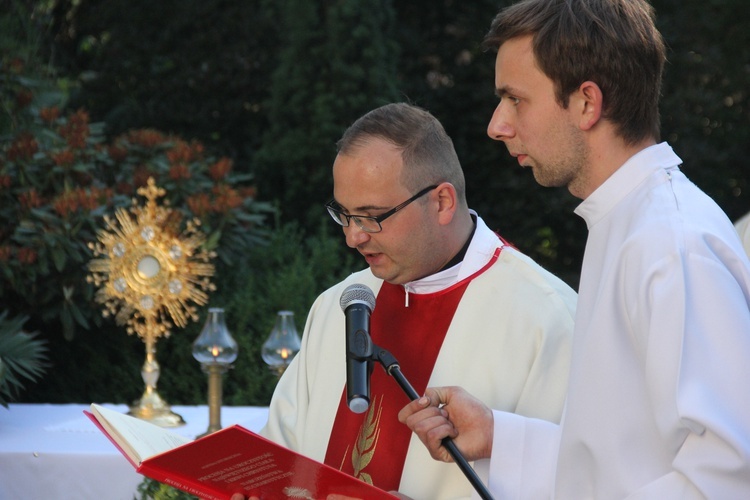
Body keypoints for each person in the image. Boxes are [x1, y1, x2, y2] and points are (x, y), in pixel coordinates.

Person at [398, 1, 750, 499]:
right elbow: (625, 458)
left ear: (587, 103)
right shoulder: (627, 223)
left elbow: (727, 475)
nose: (497, 125)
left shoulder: (671, 244)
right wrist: (501, 437)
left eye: (515, 99)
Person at [245, 102, 577, 500]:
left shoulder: (548, 320)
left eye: (371, 216)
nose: (353, 237)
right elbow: (283, 449)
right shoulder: (341, 305)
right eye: (344, 214)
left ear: (441, 202)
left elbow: (579, 481)